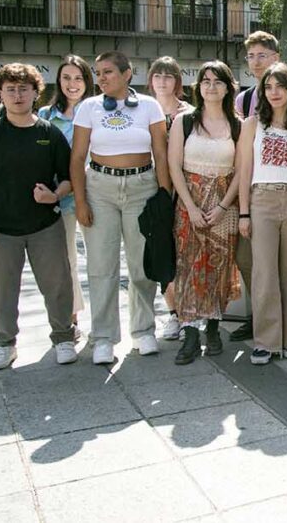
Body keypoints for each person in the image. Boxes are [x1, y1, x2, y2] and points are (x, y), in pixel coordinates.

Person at [0, 63, 75, 369]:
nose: (18, 95)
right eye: (10, 89)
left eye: (24, 89)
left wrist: (55, 195)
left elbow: (68, 178)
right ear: (1, 95)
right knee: (1, 290)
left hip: (44, 225)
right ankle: (5, 344)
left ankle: (63, 337)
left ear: (36, 93)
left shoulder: (49, 133)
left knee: (58, 284)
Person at [70, 51, 172, 365]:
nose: (100, 78)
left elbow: (160, 152)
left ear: (127, 74)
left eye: (108, 72)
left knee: (142, 262)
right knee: (101, 265)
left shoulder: (149, 106)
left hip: (142, 186)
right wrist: (80, 201)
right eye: (97, 72)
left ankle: (143, 331)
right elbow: (77, 158)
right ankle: (103, 337)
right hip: (100, 187)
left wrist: (164, 196)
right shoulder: (88, 107)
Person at [235, 63, 287, 365]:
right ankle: (266, 342)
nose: (274, 92)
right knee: (264, 272)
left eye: (280, 86)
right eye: (268, 87)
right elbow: (244, 171)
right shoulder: (252, 125)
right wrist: (244, 213)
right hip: (262, 200)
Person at [168, 61, 243, 364]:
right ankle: (189, 332)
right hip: (190, 203)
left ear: (228, 87)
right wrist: (190, 206)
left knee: (220, 266)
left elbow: (241, 169)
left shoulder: (238, 124)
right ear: (198, 87)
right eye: (205, 81)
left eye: (218, 81)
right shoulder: (183, 121)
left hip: (225, 203)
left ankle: (213, 326)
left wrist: (224, 205)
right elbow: (174, 165)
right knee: (187, 266)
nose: (211, 86)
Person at [229, 30, 283, 344]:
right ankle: (257, 318)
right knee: (247, 258)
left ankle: (278, 323)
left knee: (278, 260)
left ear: (275, 57)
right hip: (248, 184)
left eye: (262, 55)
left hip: (280, 188)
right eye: (251, 56)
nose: (256, 61)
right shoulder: (243, 98)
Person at [38, 55, 95, 337]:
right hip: (58, 200)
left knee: (99, 261)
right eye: (66, 78)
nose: (72, 84)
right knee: (65, 261)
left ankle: (104, 323)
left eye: (78, 78)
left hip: (93, 197)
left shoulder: (99, 111)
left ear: (87, 81)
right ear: (58, 82)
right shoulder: (47, 117)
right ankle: (71, 320)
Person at [148, 56, 195, 341]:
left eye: (168, 76)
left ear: (178, 81)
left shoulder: (189, 114)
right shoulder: (141, 109)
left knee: (185, 254)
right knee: (161, 252)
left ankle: (189, 312)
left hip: (184, 192)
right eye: (157, 76)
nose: (162, 81)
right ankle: (173, 313)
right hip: (151, 191)